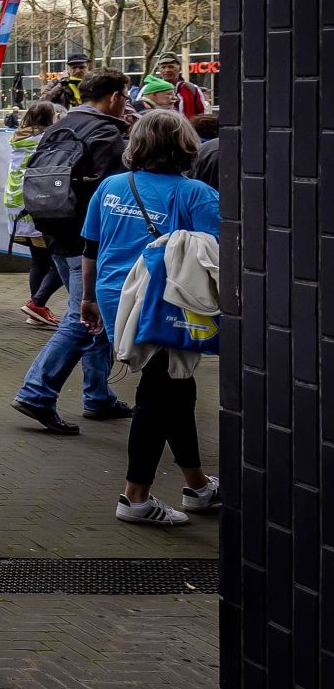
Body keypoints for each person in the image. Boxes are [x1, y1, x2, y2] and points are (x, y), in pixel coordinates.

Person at [84, 110, 222, 527]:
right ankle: (135, 498)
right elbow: (221, 256)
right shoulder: (196, 194)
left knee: (175, 387)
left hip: (115, 297)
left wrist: (87, 300)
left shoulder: (110, 186)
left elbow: (90, 249)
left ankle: (197, 485)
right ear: (185, 146)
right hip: (164, 302)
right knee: (159, 394)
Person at [10, 70, 137, 436]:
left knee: (91, 320)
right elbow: (114, 191)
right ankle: (36, 391)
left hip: (55, 232)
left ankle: (97, 395)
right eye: (125, 95)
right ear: (113, 97)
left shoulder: (60, 127)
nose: (126, 102)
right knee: (82, 318)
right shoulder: (107, 133)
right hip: (88, 241)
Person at [7, 100, 64, 325]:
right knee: (63, 259)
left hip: (16, 202)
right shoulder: (47, 140)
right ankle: (37, 304)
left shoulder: (17, 138)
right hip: (38, 202)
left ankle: (36, 308)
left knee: (39, 260)